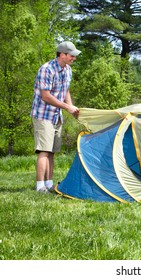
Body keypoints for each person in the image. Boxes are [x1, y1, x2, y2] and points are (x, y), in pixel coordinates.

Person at [31, 41, 81, 193]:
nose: (74, 58)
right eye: (71, 55)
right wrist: (67, 107)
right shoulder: (46, 69)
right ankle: (40, 186)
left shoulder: (68, 70)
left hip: (56, 115)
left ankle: (49, 184)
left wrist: (71, 107)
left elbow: (65, 90)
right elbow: (46, 96)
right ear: (62, 55)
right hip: (43, 115)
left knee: (52, 151)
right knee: (43, 151)